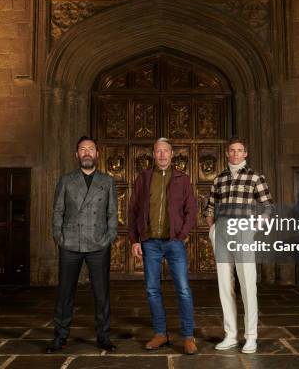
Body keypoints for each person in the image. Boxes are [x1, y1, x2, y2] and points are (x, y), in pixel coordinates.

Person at [47, 136, 118, 353]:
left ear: (98, 154)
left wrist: (109, 238)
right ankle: (60, 336)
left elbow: (112, 213)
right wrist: (59, 237)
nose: (87, 152)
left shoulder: (107, 181)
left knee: (101, 293)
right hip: (70, 243)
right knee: (65, 293)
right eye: (82, 149)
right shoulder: (66, 180)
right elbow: (58, 210)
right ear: (76, 155)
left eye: (91, 149)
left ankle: (103, 336)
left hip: (98, 244)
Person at [204, 137, 274, 354]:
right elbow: (210, 207)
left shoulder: (255, 177)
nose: (235, 154)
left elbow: (268, 207)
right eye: (232, 150)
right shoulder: (219, 179)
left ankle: (251, 337)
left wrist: (253, 228)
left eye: (239, 150)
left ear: (246, 154)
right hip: (222, 233)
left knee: (247, 286)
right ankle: (231, 335)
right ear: (227, 153)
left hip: (243, 231)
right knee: (225, 286)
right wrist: (213, 230)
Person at [128, 137, 198, 355]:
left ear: (171, 154)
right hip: (150, 243)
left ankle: (188, 336)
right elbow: (132, 210)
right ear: (153, 154)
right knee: (152, 289)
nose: (161, 155)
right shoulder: (144, 178)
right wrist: (134, 240)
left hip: (173, 242)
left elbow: (192, 210)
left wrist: (182, 234)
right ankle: (160, 333)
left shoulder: (182, 179)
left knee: (184, 290)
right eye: (158, 151)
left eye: (165, 151)